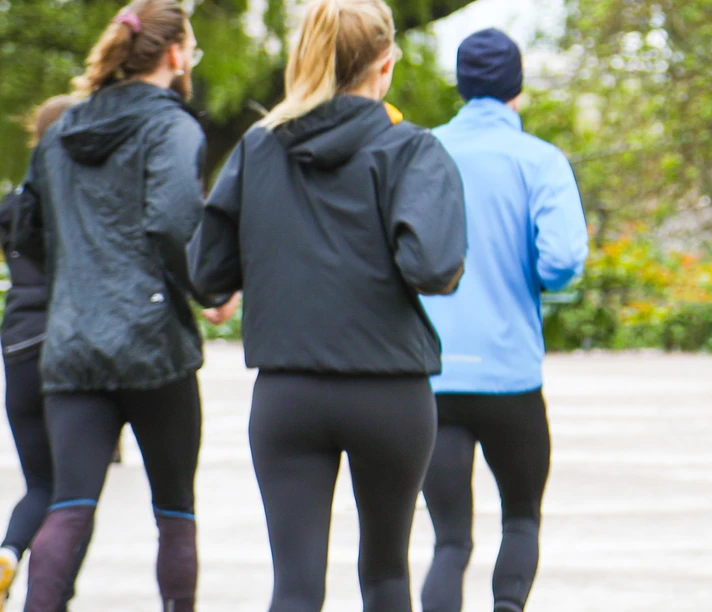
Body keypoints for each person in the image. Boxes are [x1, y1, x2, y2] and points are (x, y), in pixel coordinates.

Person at [188, 0, 468, 609]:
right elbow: (433, 267)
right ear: (385, 64)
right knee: (387, 576)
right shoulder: (411, 151)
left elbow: (208, 275)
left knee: (294, 585)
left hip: (288, 393)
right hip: (389, 390)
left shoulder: (256, 150)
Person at [14, 2, 220, 609]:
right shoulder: (174, 128)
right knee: (175, 511)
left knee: (70, 506)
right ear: (176, 54)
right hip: (155, 345)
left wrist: (78, 282)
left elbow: (26, 228)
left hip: (72, 343)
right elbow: (176, 222)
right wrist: (209, 290)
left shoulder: (59, 135)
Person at [417, 28, 588, 612]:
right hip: (511, 377)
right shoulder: (540, 160)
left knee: (449, 541)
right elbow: (563, 260)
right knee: (520, 521)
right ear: (517, 88)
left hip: (433, 378)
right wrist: (535, 277)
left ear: (460, 85)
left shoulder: (421, 151)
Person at [0, 95, 98, 609]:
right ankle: (54, 595)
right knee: (74, 495)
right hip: (62, 347)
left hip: (16, 345)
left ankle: (10, 550)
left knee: (40, 482)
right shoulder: (77, 202)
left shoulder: (14, 204)